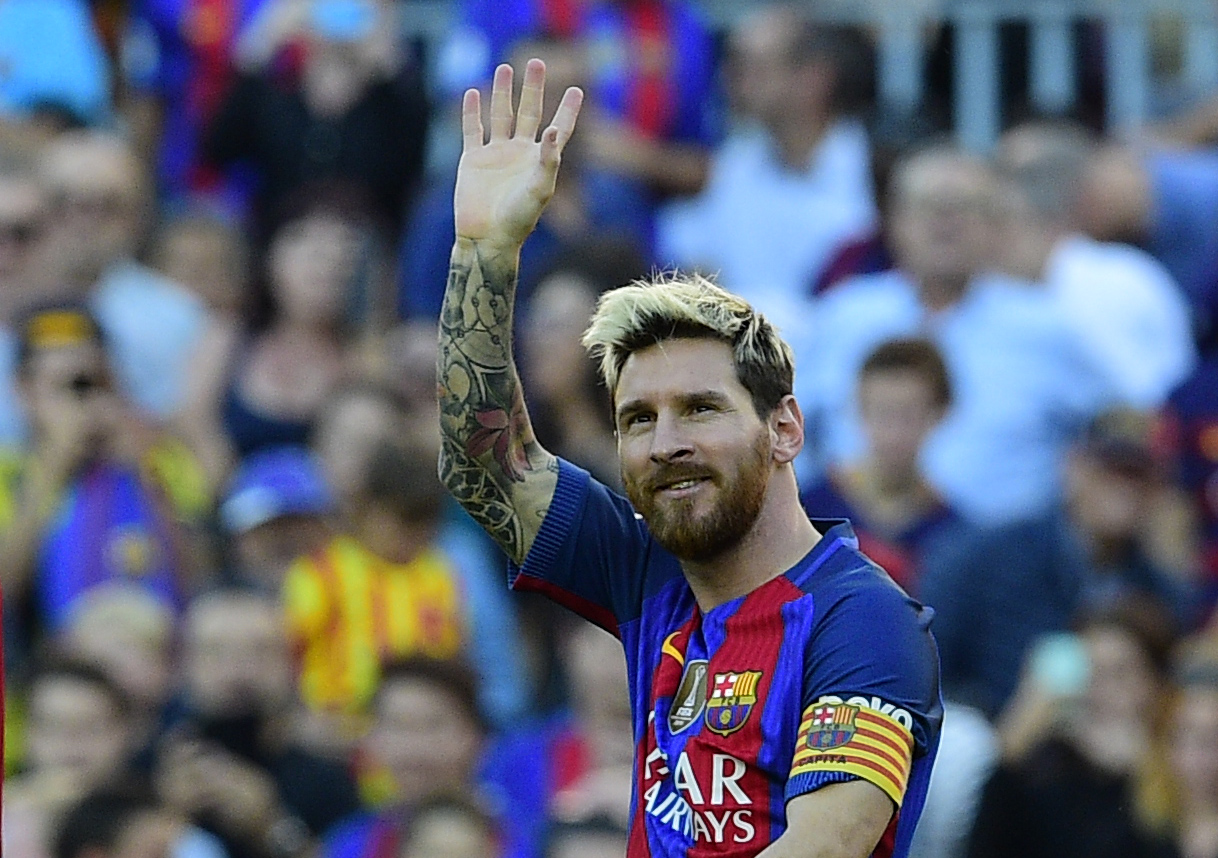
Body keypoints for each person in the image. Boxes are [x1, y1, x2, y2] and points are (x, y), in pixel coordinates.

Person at [437, 59, 941, 856]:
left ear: (784, 430)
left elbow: (827, 847)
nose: (666, 441)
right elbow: (481, 465)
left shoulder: (861, 619)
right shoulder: (649, 580)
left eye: (700, 408)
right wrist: (484, 253)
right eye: (638, 418)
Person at [657, 5, 877, 318]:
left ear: (813, 78)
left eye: (751, 67)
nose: (729, 79)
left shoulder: (874, 167)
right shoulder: (735, 160)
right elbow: (689, 252)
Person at [798, 338, 963, 593]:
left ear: (940, 414)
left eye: (908, 415)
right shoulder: (806, 510)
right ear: (858, 409)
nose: (894, 434)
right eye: (882, 413)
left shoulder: (953, 533)